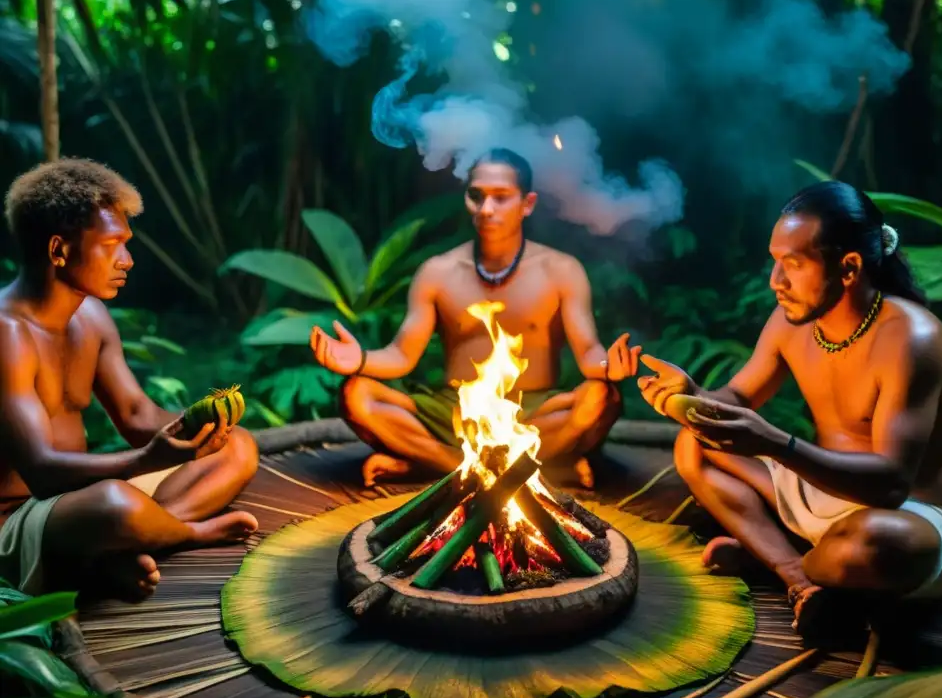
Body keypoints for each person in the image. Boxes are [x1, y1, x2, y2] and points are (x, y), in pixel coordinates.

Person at [637, 180, 942, 640]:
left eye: (793, 265)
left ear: (849, 267)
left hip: (908, 514)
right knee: (693, 443)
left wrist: (775, 443)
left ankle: (786, 559)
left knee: (873, 544)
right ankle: (800, 576)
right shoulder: (790, 322)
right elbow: (738, 397)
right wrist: (692, 396)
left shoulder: (910, 340)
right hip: (822, 489)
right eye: (775, 262)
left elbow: (892, 483)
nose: (776, 281)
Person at [0, 159, 259, 602]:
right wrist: (144, 461)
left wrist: (197, 432)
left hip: (79, 496)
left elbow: (138, 414)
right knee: (116, 505)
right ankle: (183, 534)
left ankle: (124, 545)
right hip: (16, 522)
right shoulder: (7, 333)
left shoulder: (91, 317)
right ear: (59, 250)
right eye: (113, 244)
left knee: (239, 448)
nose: (128, 260)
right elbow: (41, 473)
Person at [310, 148, 640, 489]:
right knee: (357, 394)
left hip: (534, 412)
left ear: (527, 204)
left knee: (601, 398)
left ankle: (430, 466)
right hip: (454, 411)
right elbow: (402, 355)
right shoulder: (438, 272)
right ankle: (512, 471)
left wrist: (606, 367)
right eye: (476, 196)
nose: (486, 209)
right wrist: (359, 359)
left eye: (501, 198)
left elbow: (588, 352)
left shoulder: (561, 270)